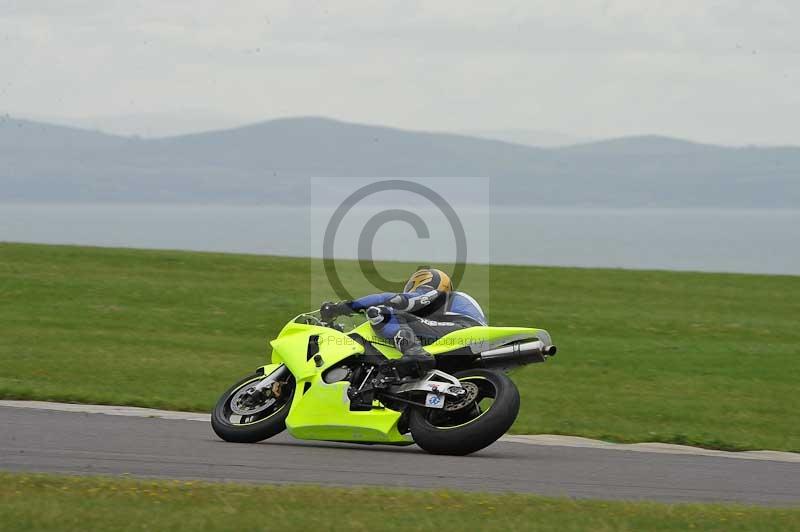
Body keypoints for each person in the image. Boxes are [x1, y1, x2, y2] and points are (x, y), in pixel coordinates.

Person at [320, 268, 486, 377]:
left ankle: (415, 353)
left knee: (380, 313)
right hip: (460, 340)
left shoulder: (435, 294)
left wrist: (342, 307)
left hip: (462, 329)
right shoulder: (441, 307)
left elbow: (395, 300)